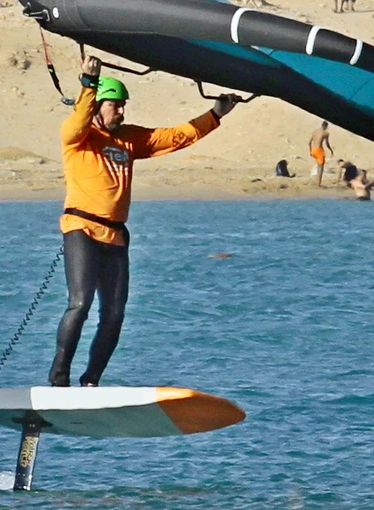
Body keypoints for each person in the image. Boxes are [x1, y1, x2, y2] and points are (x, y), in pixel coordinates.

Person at [50, 55, 238, 388]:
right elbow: (78, 120)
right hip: (82, 229)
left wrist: (215, 115)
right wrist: (88, 84)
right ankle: (59, 377)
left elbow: (175, 136)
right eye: (115, 105)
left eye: (123, 105)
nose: (121, 111)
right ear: (97, 107)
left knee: (114, 314)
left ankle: (91, 380)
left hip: (115, 237)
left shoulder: (129, 139)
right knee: (80, 304)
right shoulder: (78, 137)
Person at [308, 122, 333, 186]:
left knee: (318, 165)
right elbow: (327, 143)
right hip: (319, 150)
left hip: (313, 149)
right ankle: (318, 183)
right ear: (326, 126)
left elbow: (309, 142)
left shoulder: (315, 131)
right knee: (321, 167)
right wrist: (331, 150)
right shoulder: (326, 133)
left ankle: (316, 181)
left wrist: (310, 151)